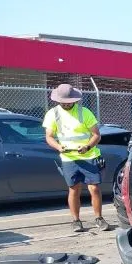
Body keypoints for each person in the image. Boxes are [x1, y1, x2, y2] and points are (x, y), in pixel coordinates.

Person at [43, 84, 110, 232]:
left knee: (94, 188)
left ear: (75, 100)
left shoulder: (84, 112)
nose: (66, 104)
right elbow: (49, 137)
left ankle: (99, 218)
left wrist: (87, 147)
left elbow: (96, 135)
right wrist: (59, 147)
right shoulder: (53, 114)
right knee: (74, 189)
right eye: (63, 101)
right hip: (68, 159)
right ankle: (76, 221)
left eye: (69, 101)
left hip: (89, 155)